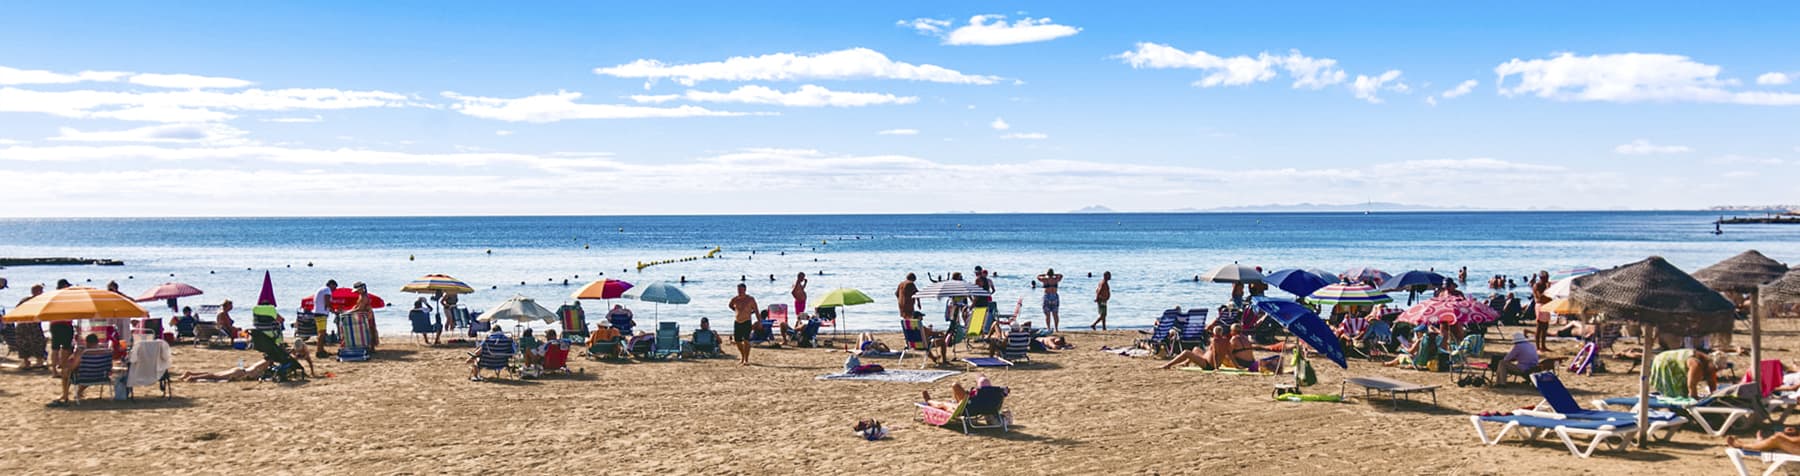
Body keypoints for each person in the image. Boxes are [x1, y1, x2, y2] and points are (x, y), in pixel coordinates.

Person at [1650, 348, 1722, 400]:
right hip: (1664, 361)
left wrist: (1715, 395)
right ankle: (1673, 410)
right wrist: (1694, 400)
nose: (1716, 372)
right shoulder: (1696, 364)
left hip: (1670, 361)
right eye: (1716, 369)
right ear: (1711, 363)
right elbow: (1691, 385)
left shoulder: (1707, 364)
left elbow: (1712, 380)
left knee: (1682, 392)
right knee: (1675, 394)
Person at [728, 283, 758, 366]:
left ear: (745, 290)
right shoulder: (735, 299)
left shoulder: (750, 299)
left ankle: (746, 359)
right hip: (737, 322)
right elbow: (730, 305)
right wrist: (736, 310)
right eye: (738, 290)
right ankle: (742, 356)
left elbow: (756, 311)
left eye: (741, 290)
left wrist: (759, 321)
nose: (739, 291)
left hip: (747, 321)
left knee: (746, 340)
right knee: (737, 341)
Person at [180, 360, 274, 383]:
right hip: (241, 373)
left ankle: (191, 374)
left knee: (214, 374)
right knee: (215, 377)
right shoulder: (267, 364)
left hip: (241, 370)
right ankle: (192, 377)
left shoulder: (262, 363)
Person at [352, 282, 377, 350]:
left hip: (367, 315)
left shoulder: (364, 297)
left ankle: (371, 347)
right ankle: (370, 346)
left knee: (369, 331)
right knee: (369, 330)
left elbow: (360, 308)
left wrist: (351, 311)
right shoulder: (362, 296)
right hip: (366, 314)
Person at [1037, 269, 1063, 333]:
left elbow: (1038, 277)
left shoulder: (1045, 280)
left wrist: (1044, 275)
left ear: (1047, 273)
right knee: (1055, 314)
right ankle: (1056, 328)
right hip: (1054, 296)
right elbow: (1061, 276)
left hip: (1047, 296)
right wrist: (1055, 275)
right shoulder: (1056, 279)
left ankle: (1048, 328)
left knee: (1047, 314)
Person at [1531, 270, 1551, 350]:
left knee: (1545, 326)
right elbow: (1540, 297)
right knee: (1539, 326)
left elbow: (1549, 297)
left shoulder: (1546, 285)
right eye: (1545, 278)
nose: (1547, 279)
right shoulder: (1537, 285)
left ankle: (1543, 345)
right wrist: (1548, 289)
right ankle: (1537, 346)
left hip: (1546, 305)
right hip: (1540, 305)